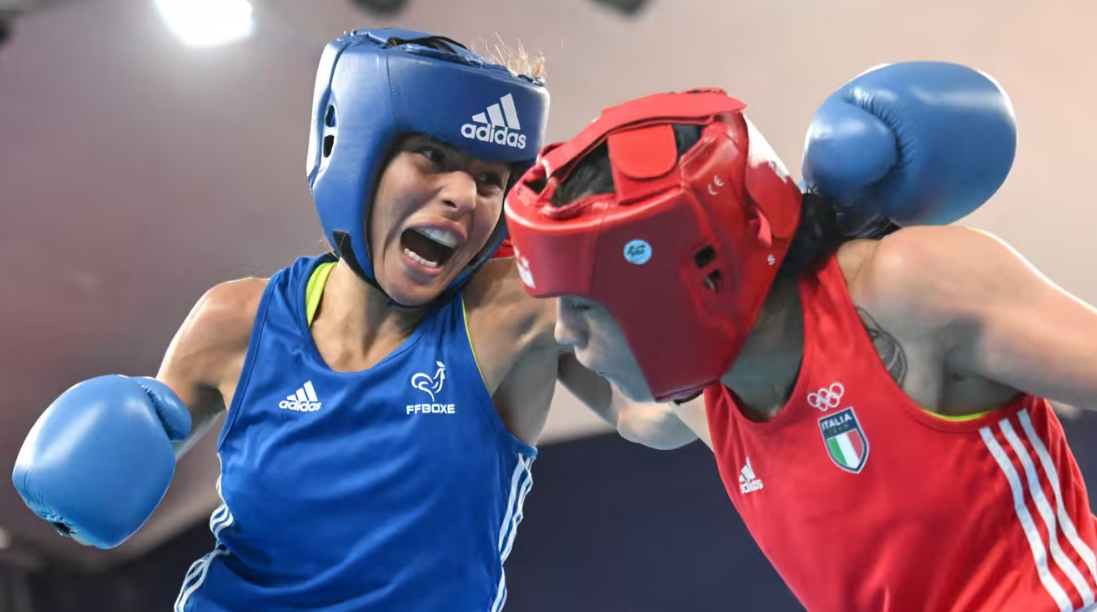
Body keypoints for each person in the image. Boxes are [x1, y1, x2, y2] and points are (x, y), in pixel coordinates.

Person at [11, 27, 608, 612]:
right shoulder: (238, 320)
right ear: (356, 153)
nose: (463, 195)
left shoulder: (516, 310)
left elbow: (658, 416)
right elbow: (120, 467)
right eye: (433, 156)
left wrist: (686, 289)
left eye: (489, 180)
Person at [504, 62, 1097, 612]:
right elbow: (635, 418)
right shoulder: (715, 398)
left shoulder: (907, 290)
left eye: (583, 304)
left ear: (680, 291)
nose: (563, 331)